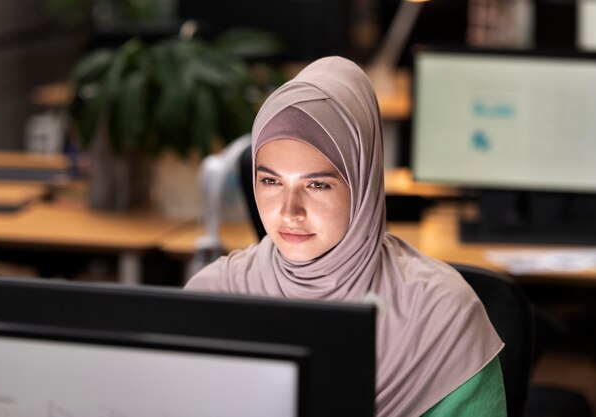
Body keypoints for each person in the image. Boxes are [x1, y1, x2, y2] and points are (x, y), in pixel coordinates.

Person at [184, 56, 506, 416]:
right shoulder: (214, 295)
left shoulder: (443, 316)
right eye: (271, 181)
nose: (290, 211)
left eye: (318, 184)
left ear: (363, 184)